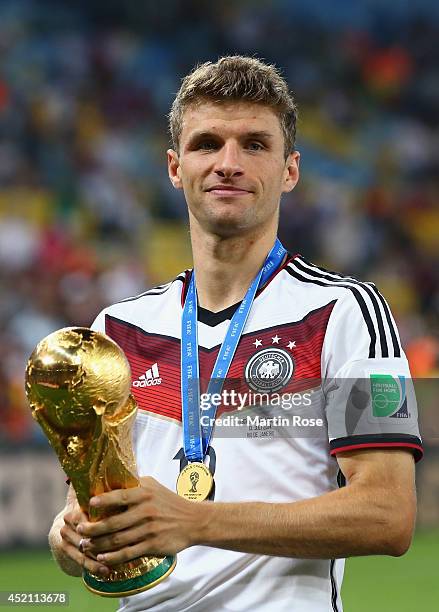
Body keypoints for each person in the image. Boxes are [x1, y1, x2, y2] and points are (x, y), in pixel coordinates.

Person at [49, 56, 423, 611]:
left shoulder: (345, 311)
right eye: (207, 144)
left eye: (254, 145)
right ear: (175, 168)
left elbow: (388, 515)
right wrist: (70, 536)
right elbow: (90, 509)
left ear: (289, 170)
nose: (228, 163)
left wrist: (197, 521)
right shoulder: (118, 330)